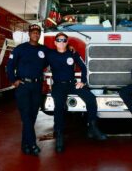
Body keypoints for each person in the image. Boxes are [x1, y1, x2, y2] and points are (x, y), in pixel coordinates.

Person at [47, 32, 107, 153]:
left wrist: (83, 82)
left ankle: (92, 128)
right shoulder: (50, 54)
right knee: (59, 107)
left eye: (64, 40)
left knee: (91, 98)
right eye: (59, 40)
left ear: (67, 42)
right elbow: (38, 63)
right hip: (58, 85)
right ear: (55, 42)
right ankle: (59, 135)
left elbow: (84, 67)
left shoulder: (72, 53)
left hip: (71, 84)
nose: (61, 42)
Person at [7, 24, 49, 155]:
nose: (35, 34)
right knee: (26, 116)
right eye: (33, 32)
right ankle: (32, 144)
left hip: (37, 86)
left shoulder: (44, 50)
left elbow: (53, 57)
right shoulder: (20, 49)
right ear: (29, 34)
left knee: (33, 115)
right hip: (23, 86)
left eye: (38, 32)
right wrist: (14, 80)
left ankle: (24, 145)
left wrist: (70, 49)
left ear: (40, 34)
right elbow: (10, 66)